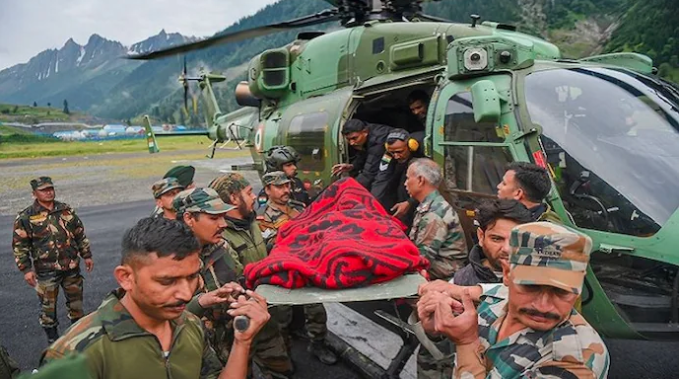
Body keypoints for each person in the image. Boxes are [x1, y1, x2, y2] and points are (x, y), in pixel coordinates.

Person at [40, 217, 271, 379]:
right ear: (126, 278)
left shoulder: (190, 326)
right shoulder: (77, 353)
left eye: (191, 277)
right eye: (167, 281)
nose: (186, 293)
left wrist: (242, 342)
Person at [417, 222, 610, 379]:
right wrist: (438, 332)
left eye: (561, 292)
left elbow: (466, 345)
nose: (543, 306)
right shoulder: (495, 299)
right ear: (507, 274)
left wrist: (466, 342)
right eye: (530, 286)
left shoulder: (578, 358)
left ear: (577, 289)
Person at [173, 187, 294, 378]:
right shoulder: (166, 260)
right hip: (207, 353)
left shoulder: (221, 246)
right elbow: (159, 318)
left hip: (237, 333)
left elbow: (239, 277)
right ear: (189, 219)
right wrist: (201, 302)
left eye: (223, 216)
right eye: (214, 218)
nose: (223, 224)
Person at [416, 199, 533, 379]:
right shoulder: (462, 279)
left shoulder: (540, 281)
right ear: (481, 236)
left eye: (517, 240)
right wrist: (435, 333)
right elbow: (442, 356)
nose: (507, 249)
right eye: (496, 238)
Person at [209, 173, 295, 377]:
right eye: (248, 193)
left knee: (282, 368)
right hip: (237, 324)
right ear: (232, 198)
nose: (254, 196)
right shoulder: (220, 237)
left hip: (265, 316)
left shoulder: (253, 221)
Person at [258, 172, 337, 365]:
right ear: (268, 189)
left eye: (287, 186)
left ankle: (317, 344)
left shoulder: (300, 207)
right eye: (280, 186)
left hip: (307, 268)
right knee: (281, 317)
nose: (286, 190)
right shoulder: (262, 217)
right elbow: (265, 248)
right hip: (282, 273)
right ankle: (284, 355)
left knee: (316, 311)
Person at [12, 176, 94, 344]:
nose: (49, 192)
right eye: (43, 190)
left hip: (71, 267)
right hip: (46, 271)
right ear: (34, 193)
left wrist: (86, 255)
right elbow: (20, 245)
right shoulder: (26, 217)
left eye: (50, 188)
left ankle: (77, 340)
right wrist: (26, 269)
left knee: (76, 307)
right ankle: (53, 343)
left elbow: (79, 233)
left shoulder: (65, 210)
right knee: (48, 310)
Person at [405, 159, 467, 281]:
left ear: (420, 180)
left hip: (444, 280)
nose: (405, 183)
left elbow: (422, 259)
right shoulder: (431, 206)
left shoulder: (434, 213)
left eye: (408, 178)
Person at [371, 129, 425, 229]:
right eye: (392, 152)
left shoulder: (424, 154)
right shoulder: (388, 154)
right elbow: (382, 177)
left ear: (410, 146)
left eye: (400, 152)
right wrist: (372, 203)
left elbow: (428, 186)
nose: (396, 156)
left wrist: (409, 202)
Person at [332, 119, 393, 191]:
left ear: (365, 132)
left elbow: (369, 174)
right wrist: (353, 166)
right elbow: (365, 153)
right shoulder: (366, 137)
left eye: (354, 138)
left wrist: (345, 189)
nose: (351, 143)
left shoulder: (377, 141)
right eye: (348, 139)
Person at [497, 162, 561, 222]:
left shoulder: (548, 229)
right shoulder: (500, 215)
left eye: (504, 183)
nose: (498, 186)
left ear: (518, 193)